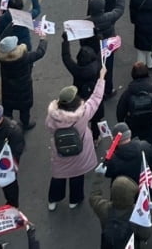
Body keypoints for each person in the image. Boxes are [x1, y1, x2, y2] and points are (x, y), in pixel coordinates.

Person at [45, 67, 107, 210]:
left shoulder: (52, 117)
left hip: (60, 151)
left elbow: (48, 128)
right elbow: (96, 98)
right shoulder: (83, 113)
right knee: (77, 175)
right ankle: (74, 200)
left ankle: (53, 200)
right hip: (80, 150)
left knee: (58, 176)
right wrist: (101, 77)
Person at [0, 34, 49, 130]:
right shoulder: (24, 57)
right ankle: (25, 124)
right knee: (24, 109)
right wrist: (43, 40)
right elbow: (40, 52)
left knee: (7, 109)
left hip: (8, 90)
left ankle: (7, 125)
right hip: (23, 89)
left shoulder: (2, 59)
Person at [89, 173, 150, 249]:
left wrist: (99, 176)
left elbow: (93, 197)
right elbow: (146, 234)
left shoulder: (104, 208)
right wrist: (151, 212)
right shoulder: (137, 214)